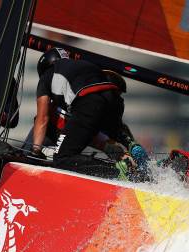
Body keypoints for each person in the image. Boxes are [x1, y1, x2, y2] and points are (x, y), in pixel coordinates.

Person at [31, 47, 145, 180]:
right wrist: (109, 147)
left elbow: (42, 118)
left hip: (89, 100)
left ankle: (116, 172)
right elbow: (85, 130)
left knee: (62, 158)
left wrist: (36, 150)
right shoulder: (80, 66)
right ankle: (135, 153)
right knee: (115, 131)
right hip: (114, 98)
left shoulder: (46, 76)